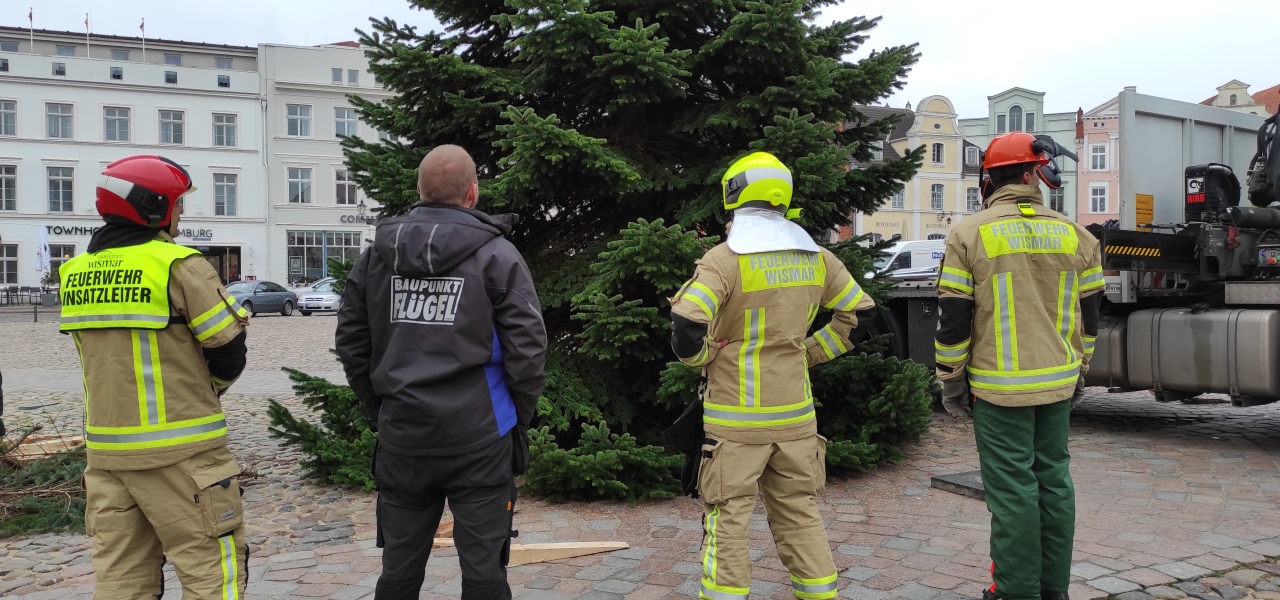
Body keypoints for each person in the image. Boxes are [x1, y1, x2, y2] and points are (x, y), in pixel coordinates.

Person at [336, 144, 547, 600]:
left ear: (419, 190)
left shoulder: (376, 257)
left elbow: (352, 343)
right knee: (486, 574)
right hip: (481, 437)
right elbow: (528, 350)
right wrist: (516, 420)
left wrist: (381, 410)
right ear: (473, 192)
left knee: (398, 572)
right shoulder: (499, 256)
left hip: (403, 435)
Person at [669, 151, 874, 600]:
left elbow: (685, 326)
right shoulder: (817, 256)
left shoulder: (724, 260)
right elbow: (862, 317)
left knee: (728, 521)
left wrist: (704, 357)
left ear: (733, 195)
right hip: (796, 419)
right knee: (800, 513)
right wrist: (811, 353)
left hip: (735, 423)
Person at [59, 155, 250, 599]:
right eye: (177, 203)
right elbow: (228, 351)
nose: (181, 212)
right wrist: (208, 391)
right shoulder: (178, 265)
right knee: (211, 573)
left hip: (107, 455)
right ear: (151, 206)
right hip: (182, 454)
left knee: (121, 577)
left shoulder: (74, 272)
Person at [934, 132, 1103, 600]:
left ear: (990, 179)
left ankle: (1015, 593)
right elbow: (1090, 318)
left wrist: (950, 380)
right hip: (1058, 384)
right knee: (1054, 484)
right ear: (1033, 175)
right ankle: (1055, 591)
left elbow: (954, 319)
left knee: (1012, 492)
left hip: (998, 388)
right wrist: (1080, 370)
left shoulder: (969, 234)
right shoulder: (1077, 235)